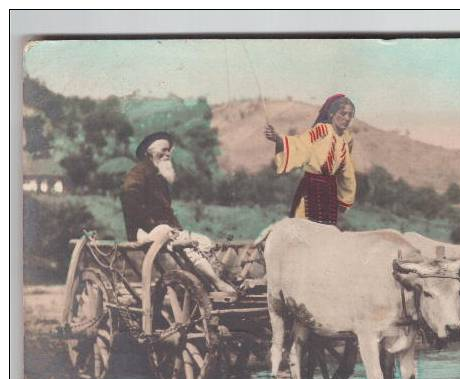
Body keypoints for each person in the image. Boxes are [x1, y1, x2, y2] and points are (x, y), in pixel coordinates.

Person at [121, 132, 237, 294]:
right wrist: (155, 226)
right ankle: (217, 283)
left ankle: (211, 281)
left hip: (163, 231)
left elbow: (167, 212)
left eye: (169, 150)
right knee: (186, 244)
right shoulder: (137, 174)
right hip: (143, 232)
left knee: (203, 241)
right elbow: (131, 203)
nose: (168, 153)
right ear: (149, 153)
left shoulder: (159, 177)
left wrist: (176, 228)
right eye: (163, 150)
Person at [263, 94, 357, 226]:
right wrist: (278, 139)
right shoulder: (321, 130)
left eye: (350, 115)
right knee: (303, 228)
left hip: (329, 193)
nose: (347, 118)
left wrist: (344, 199)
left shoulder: (346, 140)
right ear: (331, 114)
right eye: (343, 113)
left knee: (325, 233)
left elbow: (347, 173)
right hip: (311, 188)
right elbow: (301, 143)